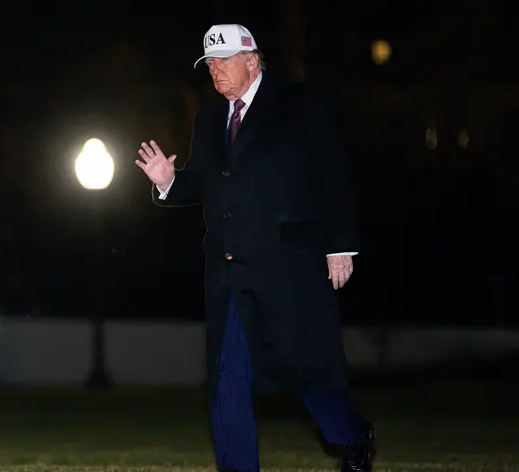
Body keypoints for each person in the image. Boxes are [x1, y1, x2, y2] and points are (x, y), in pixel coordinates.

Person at [135, 24, 374, 472]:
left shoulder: (297, 105)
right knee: (228, 379)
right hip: (228, 269)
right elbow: (205, 183)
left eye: (223, 61)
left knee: (306, 368)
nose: (215, 71)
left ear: (251, 59)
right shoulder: (209, 119)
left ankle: (352, 436)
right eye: (210, 64)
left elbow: (330, 174)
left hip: (288, 265)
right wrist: (168, 182)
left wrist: (339, 244)